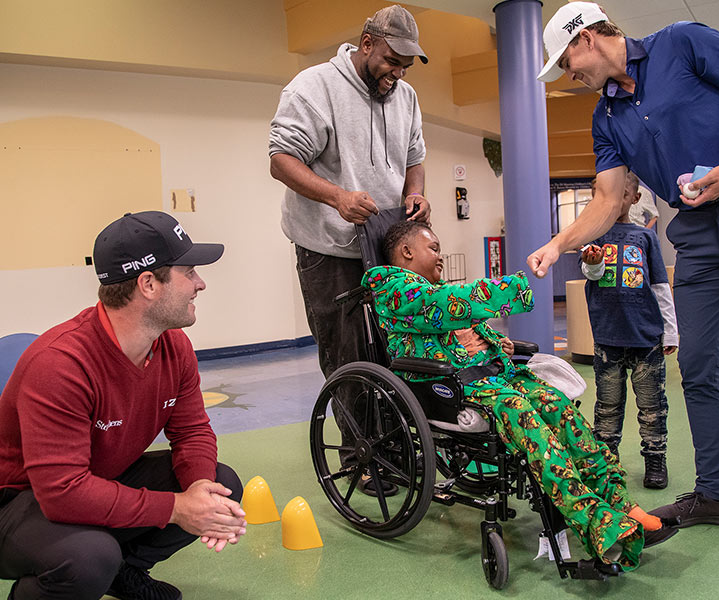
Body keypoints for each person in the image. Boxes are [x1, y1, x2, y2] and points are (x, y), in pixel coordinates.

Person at [529, 1, 719, 562]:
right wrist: (558, 243)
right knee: (697, 363)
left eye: (567, 61)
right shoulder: (605, 119)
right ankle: (716, 495)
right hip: (697, 230)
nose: (569, 75)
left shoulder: (681, 41)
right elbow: (607, 200)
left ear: (588, 39)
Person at [363, 220, 678, 571]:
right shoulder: (391, 287)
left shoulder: (432, 289)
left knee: (561, 409)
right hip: (454, 388)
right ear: (406, 251)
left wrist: (498, 343)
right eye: (434, 248)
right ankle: (598, 523)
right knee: (531, 426)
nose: (440, 257)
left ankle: (620, 501)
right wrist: (515, 288)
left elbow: (466, 326)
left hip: (497, 375)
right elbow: (446, 305)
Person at [0, 211, 246, 600]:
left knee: (221, 485)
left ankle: (125, 570)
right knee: (88, 556)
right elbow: (62, 491)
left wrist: (199, 488)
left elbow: (192, 430)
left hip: (94, 480)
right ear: (148, 284)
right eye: (190, 272)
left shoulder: (172, 345)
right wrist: (177, 509)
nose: (200, 284)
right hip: (15, 503)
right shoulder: (61, 364)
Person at [269, 5, 430, 493]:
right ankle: (363, 456)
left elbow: (415, 158)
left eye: (406, 65)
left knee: (394, 346)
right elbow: (281, 161)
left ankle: (396, 442)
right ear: (365, 44)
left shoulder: (405, 96)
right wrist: (336, 196)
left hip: (383, 242)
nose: (397, 73)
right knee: (348, 355)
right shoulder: (314, 87)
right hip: (328, 248)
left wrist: (413, 194)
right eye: (390, 60)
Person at [581, 170, 678, 489]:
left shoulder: (645, 237)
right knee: (607, 407)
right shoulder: (593, 234)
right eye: (602, 193)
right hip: (608, 338)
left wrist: (670, 330)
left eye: (621, 193)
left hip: (646, 339)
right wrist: (594, 261)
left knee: (652, 405)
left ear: (634, 199)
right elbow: (591, 274)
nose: (610, 199)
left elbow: (660, 285)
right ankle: (607, 465)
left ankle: (655, 458)